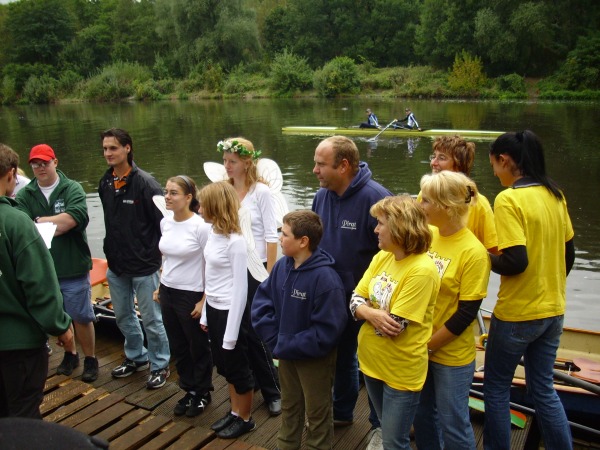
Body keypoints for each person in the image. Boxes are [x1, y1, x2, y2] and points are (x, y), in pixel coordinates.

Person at [484, 130, 575, 450]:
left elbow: (515, 261)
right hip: (553, 310)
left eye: (494, 164)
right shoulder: (556, 195)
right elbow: (569, 255)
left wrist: (481, 255)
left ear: (505, 160)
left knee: (495, 389)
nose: (494, 173)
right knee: (544, 390)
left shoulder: (509, 199)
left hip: (517, 314)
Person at [311, 135, 392, 443]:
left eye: (320, 164)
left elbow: (395, 253)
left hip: (368, 302)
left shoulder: (376, 198)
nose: (315, 170)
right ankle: (343, 411)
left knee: (372, 365)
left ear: (343, 166)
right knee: (342, 357)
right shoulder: (322, 195)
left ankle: (380, 426)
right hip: (331, 298)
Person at [251, 210, 347, 450]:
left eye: (284, 234)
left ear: (303, 241)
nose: (279, 239)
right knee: (289, 407)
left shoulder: (326, 279)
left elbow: (328, 330)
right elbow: (262, 304)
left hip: (314, 361)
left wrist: (285, 344)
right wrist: (276, 340)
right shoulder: (283, 266)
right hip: (285, 355)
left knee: (317, 414)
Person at [350, 195, 439, 450]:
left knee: (393, 441)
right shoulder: (383, 257)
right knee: (385, 430)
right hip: (371, 363)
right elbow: (354, 299)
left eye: (380, 223)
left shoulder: (421, 270)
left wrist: (365, 311)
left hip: (400, 371)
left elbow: (394, 327)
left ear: (400, 227)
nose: (375, 229)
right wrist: (373, 313)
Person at [412, 171, 491, 450]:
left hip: (450, 356)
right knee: (422, 415)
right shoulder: (428, 235)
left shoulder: (474, 253)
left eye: (426, 201)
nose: (420, 206)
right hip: (421, 345)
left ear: (446, 207)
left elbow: (466, 314)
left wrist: (428, 346)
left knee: (453, 423)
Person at [0, 143, 74, 419]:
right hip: (18, 346)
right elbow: (39, 287)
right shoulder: (16, 223)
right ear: (11, 175)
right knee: (23, 416)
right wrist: (62, 328)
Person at [15, 144, 98, 382]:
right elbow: (21, 227)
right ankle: (70, 355)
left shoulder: (71, 188)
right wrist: (53, 223)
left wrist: (38, 221)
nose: (40, 168)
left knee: (82, 316)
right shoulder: (25, 194)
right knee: (57, 316)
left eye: (45, 163)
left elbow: (72, 220)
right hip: (42, 270)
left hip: (72, 267)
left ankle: (91, 359)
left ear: (55, 162)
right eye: (35, 164)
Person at [98, 128, 171, 389]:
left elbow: (165, 226)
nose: (108, 153)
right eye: (105, 148)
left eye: (113, 148)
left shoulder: (146, 184)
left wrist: (163, 264)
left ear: (127, 148)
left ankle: (160, 364)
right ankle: (136, 357)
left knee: (152, 320)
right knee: (123, 316)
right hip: (116, 264)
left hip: (144, 265)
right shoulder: (105, 182)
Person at [216, 137, 282, 416]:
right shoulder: (224, 191)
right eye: (225, 161)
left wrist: (268, 278)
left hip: (257, 269)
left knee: (255, 331)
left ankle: (272, 390)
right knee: (234, 327)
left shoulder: (261, 193)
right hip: (231, 267)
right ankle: (247, 382)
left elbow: (271, 236)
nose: (227, 166)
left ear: (246, 162)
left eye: (232, 161)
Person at [199, 181, 255, 439]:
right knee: (224, 366)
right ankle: (234, 412)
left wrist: (231, 334)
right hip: (215, 308)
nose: (198, 208)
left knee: (238, 367)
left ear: (215, 207)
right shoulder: (213, 234)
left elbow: (241, 290)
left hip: (232, 312)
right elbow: (210, 278)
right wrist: (205, 313)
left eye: (202, 204)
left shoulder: (236, 242)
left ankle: (245, 418)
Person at [154, 175, 213, 417]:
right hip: (168, 291)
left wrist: (204, 301)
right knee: (178, 344)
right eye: (166, 192)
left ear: (189, 197)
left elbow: (212, 264)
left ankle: (203, 393)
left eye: (174, 193)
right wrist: (160, 285)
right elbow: (166, 257)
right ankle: (188, 389)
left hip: (191, 294)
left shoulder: (201, 227)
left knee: (197, 346)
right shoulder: (166, 223)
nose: (167, 196)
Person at [426, 135, 498, 253]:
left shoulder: (478, 203)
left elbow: (494, 250)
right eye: (433, 157)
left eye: (442, 158)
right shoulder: (425, 195)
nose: (433, 163)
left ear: (459, 165)